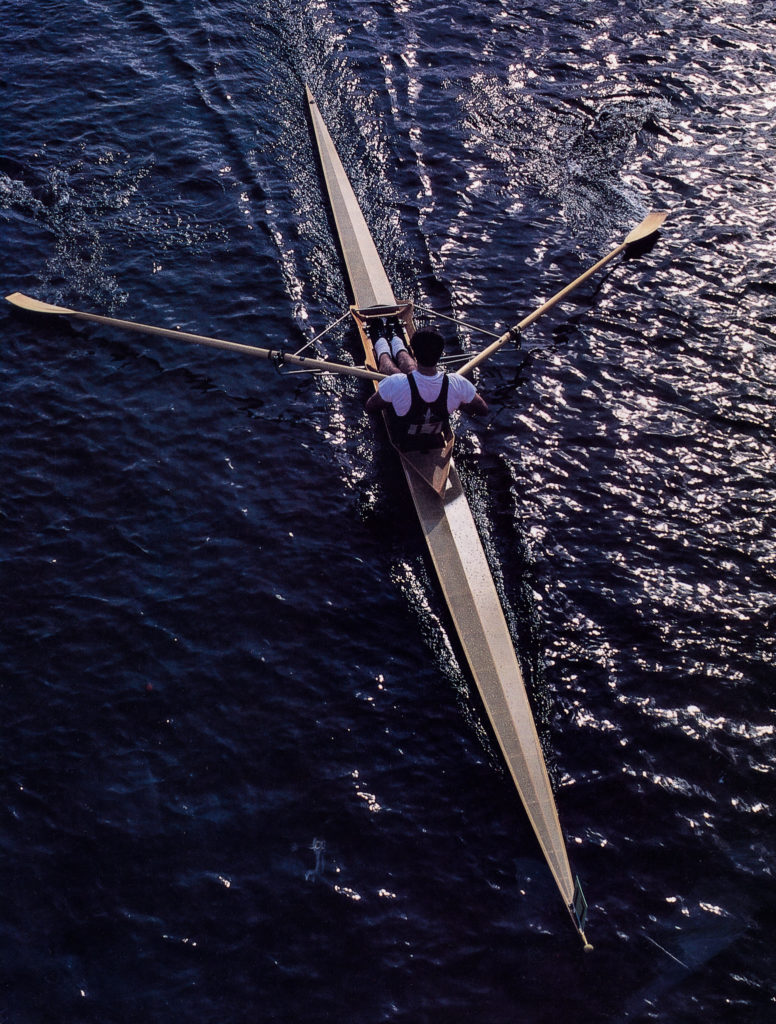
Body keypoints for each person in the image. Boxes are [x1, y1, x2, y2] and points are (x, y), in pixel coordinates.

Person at [365, 318, 488, 450]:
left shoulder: (396, 382)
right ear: (440, 354)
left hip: (405, 439)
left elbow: (370, 406)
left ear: (415, 354)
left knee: (390, 368)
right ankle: (395, 337)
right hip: (433, 435)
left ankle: (381, 340)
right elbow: (483, 409)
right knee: (409, 371)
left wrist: (393, 398)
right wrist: (459, 403)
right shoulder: (457, 383)